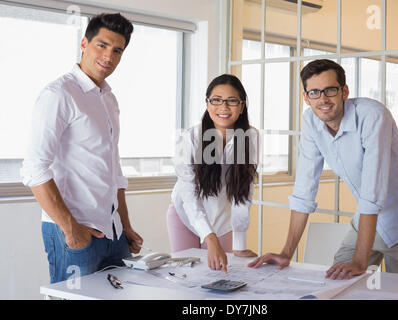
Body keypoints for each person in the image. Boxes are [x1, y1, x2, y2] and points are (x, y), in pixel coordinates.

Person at [248, 59, 398, 279]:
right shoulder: (311, 121)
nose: (323, 99)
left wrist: (359, 261)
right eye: (314, 93)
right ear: (306, 98)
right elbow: (304, 190)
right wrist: (286, 253)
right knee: (336, 279)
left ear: (344, 91)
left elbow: (372, 192)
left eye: (330, 90)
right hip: (369, 215)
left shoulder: (372, 115)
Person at [21, 13, 143, 283]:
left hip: (114, 233)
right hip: (75, 233)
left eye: (117, 50)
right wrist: (70, 228)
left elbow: (114, 169)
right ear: (84, 43)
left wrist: (125, 225)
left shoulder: (108, 98)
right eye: (102, 45)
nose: (108, 57)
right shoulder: (59, 94)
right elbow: (33, 168)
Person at [168, 74, 258, 273]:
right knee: (187, 277)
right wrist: (210, 238)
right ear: (208, 104)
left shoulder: (250, 137)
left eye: (232, 101)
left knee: (219, 278)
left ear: (242, 106)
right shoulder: (190, 137)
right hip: (185, 216)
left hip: (222, 220)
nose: (223, 107)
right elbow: (189, 195)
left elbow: (244, 192)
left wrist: (240, 244)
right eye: (216, 100)